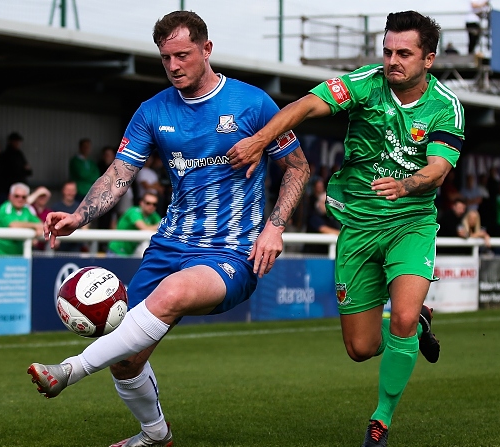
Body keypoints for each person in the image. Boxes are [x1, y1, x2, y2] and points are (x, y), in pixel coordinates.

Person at [27, 10, 309, 447]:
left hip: (232, 252)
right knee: (125, 360)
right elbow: (120, 173)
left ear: (206, 49)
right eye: (165, 58)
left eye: (183, 55)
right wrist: (80, 216)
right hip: (168, 245)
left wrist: (274, 227)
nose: (174, 66)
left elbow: (297, 167)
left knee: (172, 295)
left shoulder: (251, 103)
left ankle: (70, 369)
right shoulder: (152, 111)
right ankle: (155, 436)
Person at [227, 11, 463, 446]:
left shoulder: (445, 106)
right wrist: (261, 140)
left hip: (410, 223)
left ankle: (381, 420)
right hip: (357, 226)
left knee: (403, 318)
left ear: (428, 59)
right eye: (388, 51)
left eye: (404, 53)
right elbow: (305, 106)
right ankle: (416, 328)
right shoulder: (365, 83)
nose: (393, 60)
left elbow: (437, 170)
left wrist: (406, 184)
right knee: (360, 349)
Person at [0, 183, 43, 256]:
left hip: (17, 256)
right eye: (17, 196)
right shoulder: (4, 208)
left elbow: (40, 225)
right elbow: (13, 225)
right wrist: (34, 226)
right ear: (10, 196)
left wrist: (36, 232)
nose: (20, 199)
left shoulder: (27, 210)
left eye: (23, 197)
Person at [108, 191, 162, 256]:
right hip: (116, 251)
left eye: (154, 204)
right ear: (141, 203)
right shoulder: (134, 212)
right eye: (148, 203)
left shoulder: (154, 215)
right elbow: (144, 228)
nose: (151, 206)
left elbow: (163, 228)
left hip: (131, 253)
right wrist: (158, 226)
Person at [50, 181, 84, 253]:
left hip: (76, 246)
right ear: (63, 191)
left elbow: (85, 226)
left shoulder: (80, 207)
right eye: (68, 190)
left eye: (72, 191)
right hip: (59, 247)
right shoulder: (55, 207)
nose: (70, 193)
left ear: (76, 192)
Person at [0, 132, 32, 196]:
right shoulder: (6, 155)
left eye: (19, 141)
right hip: (9, 187)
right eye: (16, 141)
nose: (18, 143)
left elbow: (29, 170)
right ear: (11, 142)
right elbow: (12, 171)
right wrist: (22, 170)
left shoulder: (19, 154)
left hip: (22, 185)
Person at [69, 138, 100, 202]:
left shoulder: (91, 161)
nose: (87, 149)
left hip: (90, 191)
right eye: (85, 146)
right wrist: (91, 176)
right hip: (79, 191)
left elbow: (97, 175)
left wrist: (89, 176)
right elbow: (82, 174)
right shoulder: (75, 161)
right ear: (80, 147)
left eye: (88, 147)